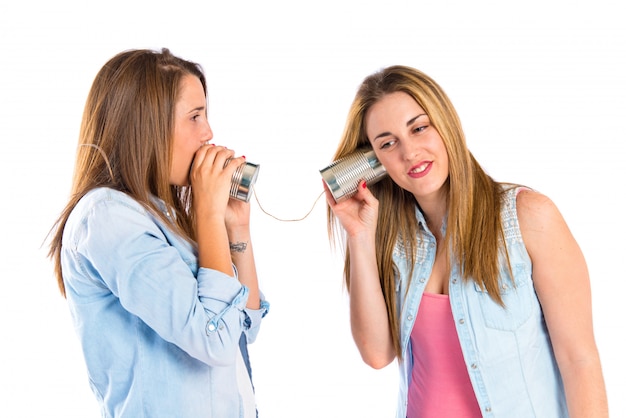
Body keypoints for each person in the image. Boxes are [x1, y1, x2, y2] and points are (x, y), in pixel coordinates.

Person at [324, 65, 608, 418]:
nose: (409, 153)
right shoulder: (394, 241)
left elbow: (580, 360)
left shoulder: (528, 218)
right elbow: (377, 354)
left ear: (446, 124)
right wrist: (360, 236)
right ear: (372, 162)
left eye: (419, 128)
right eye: (388, 143)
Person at [47, 48, 269, 418]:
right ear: (146, 126)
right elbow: (214, 339)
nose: (209, 132)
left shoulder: (165, 218)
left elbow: (243, 329)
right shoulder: (107, 215)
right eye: (195, 117)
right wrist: (208, 214)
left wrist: (236, 229)